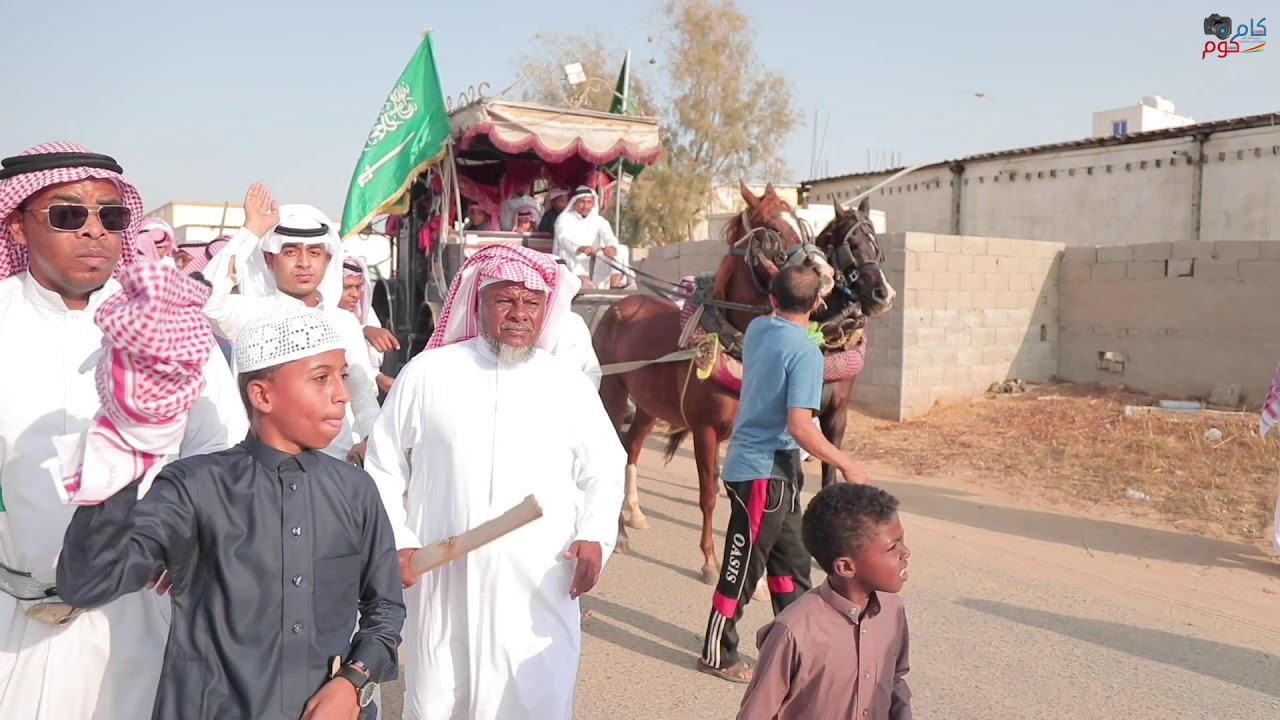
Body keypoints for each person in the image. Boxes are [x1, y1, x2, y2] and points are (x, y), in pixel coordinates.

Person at [56, 305, 407, 720]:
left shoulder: (354, 489)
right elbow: (88, 583)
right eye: (321, 378)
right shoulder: (194, 486)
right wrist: (118, 454)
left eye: (342, 376)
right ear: (262, 395)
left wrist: (353, 681)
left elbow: (385, 609)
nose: (342, 394)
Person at [0, 141, 247, 719]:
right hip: (12, 618)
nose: (95, 231)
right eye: (67, 215)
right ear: (16, 228)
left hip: (138, 619)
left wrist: (185, 535)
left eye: (110, 216)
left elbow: (220, 450)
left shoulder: (169, 323)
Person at [362, 243, 626, 720]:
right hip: (444, 583)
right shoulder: (427, 374)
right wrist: (398, 542)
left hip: (538, 585)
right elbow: (382, 466)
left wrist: (596, 535)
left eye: (531, 303)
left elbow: (605, 468)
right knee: (441, 700)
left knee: (535, 700)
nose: (519, 314)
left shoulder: (567, 384)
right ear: (477, 302)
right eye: (505, 300)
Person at [697, 264, 870, 684]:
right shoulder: (807, 354)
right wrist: (846, 463)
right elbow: (800, 426)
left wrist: (785, 279)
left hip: (780, 470)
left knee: (791, 565)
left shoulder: (758, 329)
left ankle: (799, 650)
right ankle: (716, 652)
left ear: (772, 299)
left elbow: (782, 308)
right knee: (743, 567)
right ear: (818, 303)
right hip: (762, 471)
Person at [202, 182, 381, 464]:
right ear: (269, 260)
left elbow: (362, 397)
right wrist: (252, 231)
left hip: (334, 468)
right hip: (265, 468)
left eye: (314, 253)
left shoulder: (344, 322)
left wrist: (371, 442)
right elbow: (205, 299)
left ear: (328, 259)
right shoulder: (251, 313)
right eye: (290, 252)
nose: (303, 263)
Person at [736, 483, 912, 720]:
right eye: (893, 548)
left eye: (902, 540)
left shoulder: (893, 610)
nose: (906, 553)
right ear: (846, 567)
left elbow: (895, 680)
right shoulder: (794, 631)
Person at [340, 255, 398, 394]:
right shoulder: (315, 313)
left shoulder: (365, 313)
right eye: (347, 287)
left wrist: (378, 378)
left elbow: (362, 367)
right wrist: (362, 331)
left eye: (358, 287)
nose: (355, 294)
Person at [553, 186, 624, 289]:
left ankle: (615, 284)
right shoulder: (564, 218)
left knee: (621, 249)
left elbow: (610, 237)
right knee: (565, 251)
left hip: (595, 258)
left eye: (589, 202)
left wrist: (611, 247)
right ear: (575, 202)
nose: (585, 206)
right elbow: (562, 238)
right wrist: (579, 248)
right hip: (573, 259)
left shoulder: (599, 220)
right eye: (582, 202)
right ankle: (585, 281)